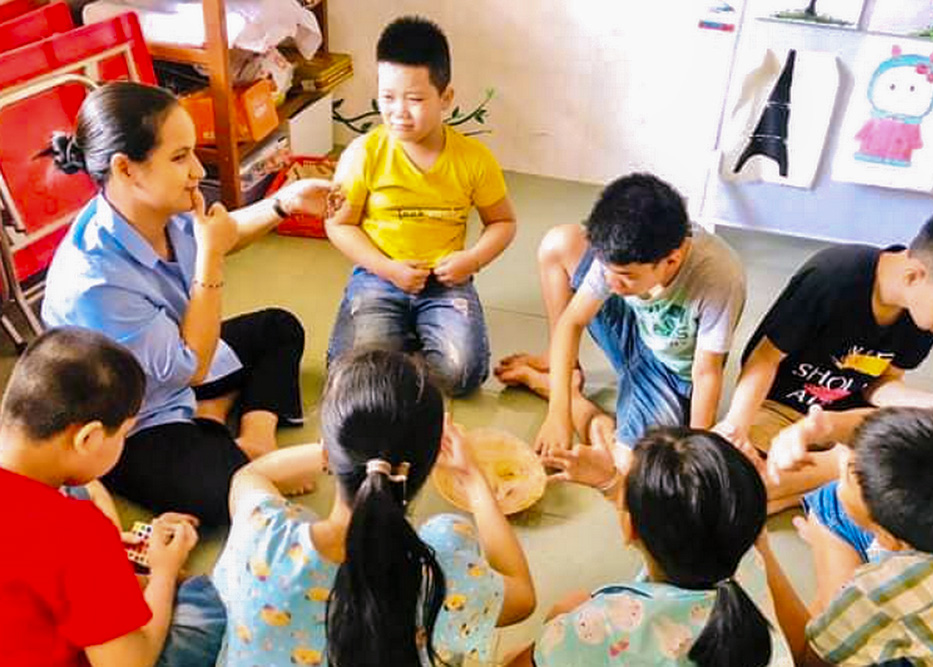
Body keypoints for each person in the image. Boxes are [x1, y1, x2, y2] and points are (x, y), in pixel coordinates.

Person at [41, 81, 334, 526]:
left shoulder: (157, 206)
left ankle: (253, 434)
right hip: (130, 418)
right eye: (179, 158)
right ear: (126, 170)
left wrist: (282, 204)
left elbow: (222, 232)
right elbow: (192, 365)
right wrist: (211, 257)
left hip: (173, 368)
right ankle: (213, 425)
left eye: (193, 152)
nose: (198, 170)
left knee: (279, 326)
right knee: (226, 492)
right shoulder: (94, 283)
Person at [212, 349, 536, 667]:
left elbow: (251, 475)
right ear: (422, 467)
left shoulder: (263, 536)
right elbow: (522, 596)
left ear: (328, 448)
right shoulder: (446, 579)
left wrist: (333, 452)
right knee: (450, 532)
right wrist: (473, 478)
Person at [715, 202, 933, 513]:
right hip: (780, 408)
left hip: (847, 421)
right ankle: (837, 478)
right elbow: (764, 360)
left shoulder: (926, 315)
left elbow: (881, 385)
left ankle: (825, 477)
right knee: (724, 489)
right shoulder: (834, 276)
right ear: (914, 276)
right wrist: (736, 427)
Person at [326, 16, 517, 396]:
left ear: (445, 98)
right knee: (351, 376)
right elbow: (339, 225)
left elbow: (503, 222)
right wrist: (387, 268)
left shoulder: (473, 159)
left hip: (446, 283)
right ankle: (402, 348)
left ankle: (401, 351)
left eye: (414, 99)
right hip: (378, 276)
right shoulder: (363, 153)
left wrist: (472, 260)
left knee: (462, 374)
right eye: (387, 97)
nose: (398, 111)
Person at [0, 327, 212, 667]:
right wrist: (164, 573)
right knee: (206, 604)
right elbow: (128, 663)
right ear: (90, 437)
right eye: (125, 433)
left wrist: (107, 558)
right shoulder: (78, 532)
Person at [498, 173, 744, 452]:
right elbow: (573, 321)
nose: (611, 284)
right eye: (607, 270)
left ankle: (554, 387)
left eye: (625, 276)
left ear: (671, 260)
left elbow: (706, 374)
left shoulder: (718, 278)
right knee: (559, 243)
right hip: (635, 328)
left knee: (633, 462)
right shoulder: (616, 262)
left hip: (671, 375)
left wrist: (697, 450)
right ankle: (561, 367)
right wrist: (558, 415)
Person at [505, 427, 792, 666]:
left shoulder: (607, 624)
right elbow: (683, 520)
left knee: (558, 615)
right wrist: (611, 483)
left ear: (629, 528)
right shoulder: (744, 560)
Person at [757, 407, 933, 666]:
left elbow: (808, 662)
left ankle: (829, 617)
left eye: (850, 473)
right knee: (831, 501)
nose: (842, 458)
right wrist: (821, 426)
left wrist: (763, 554)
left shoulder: (882, 594)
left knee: (829, 506)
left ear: (888, 541)